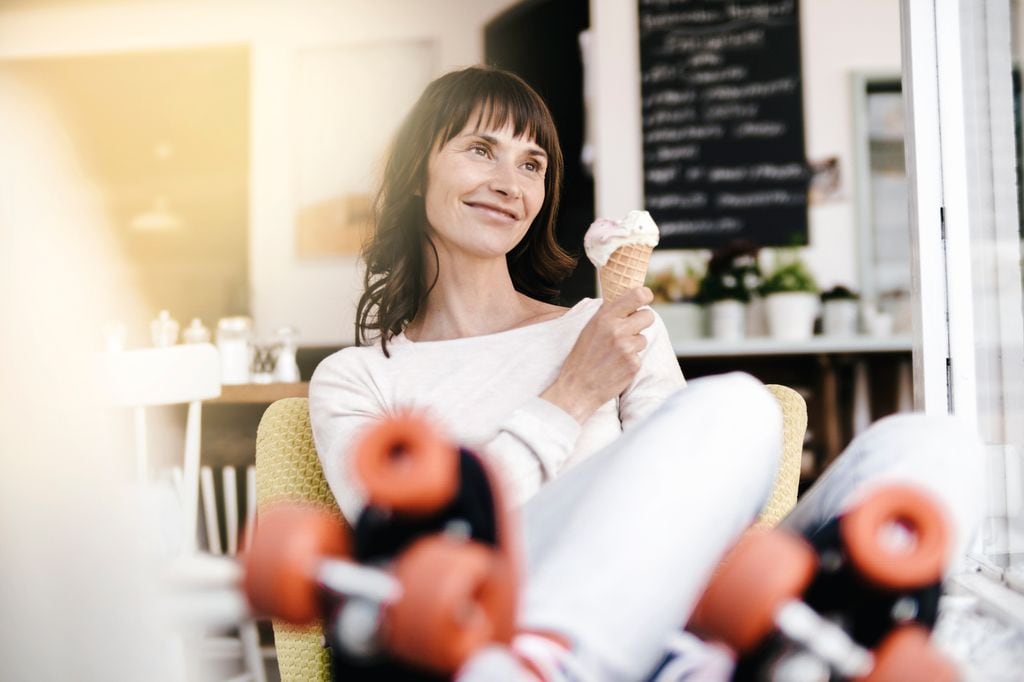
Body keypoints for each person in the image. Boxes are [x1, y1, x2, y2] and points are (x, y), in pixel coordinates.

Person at [309, 65, 983, 681]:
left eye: (532, 163)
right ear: (417, 173)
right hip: (490, 621)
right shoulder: (359, 378)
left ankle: (808, 649)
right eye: (481, 150)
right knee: (736, 409)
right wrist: (571, 395)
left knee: (931, 446)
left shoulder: (608, 325)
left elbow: (697, 483)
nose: (510, 183)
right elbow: (415, 558)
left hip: (668, 621)